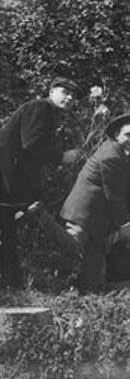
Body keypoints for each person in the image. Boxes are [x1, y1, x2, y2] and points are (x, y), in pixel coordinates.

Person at [60, 114, 130, 292]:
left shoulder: (117, 151)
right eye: (128, 135)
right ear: (117, 135)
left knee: (93, 261)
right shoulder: (112, 156)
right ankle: (42, 219)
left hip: (95, 216)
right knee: (72, 248)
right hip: (83, 212)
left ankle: (88, 295)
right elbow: (114, 195)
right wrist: (124, 224)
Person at [0, 77, 81, 290]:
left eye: (73, 96)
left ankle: (12, 286)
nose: (70, 98)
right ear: (51, 91)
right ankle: (13, 286)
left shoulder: (49, 113)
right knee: (7, 229)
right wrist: (61, 157)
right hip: (7, 180)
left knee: (9, 231)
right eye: (65, 92)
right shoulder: (40, 107)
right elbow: (32, 144)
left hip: (12, 180)